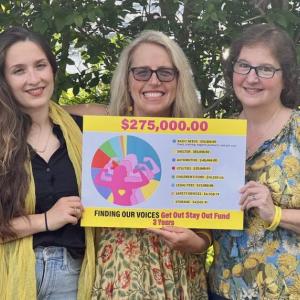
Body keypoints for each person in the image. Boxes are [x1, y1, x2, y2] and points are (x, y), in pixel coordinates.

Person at [88, 30, 211, 300]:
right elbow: (45, 109)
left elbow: (211, 225)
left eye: (165, 72)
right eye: (142, 72)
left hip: (179, 275)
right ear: (127, 78)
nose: (153, 81)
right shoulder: (103, 132)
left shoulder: (199, 138)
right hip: (119, 275)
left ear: (179, 79)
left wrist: (198, 242)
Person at [0, 26, 95, 300]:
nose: (34, 78)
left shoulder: (84, 132)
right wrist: (46, 219)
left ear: (53, 69)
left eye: (40, 65)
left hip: (71, 277)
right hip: (10, 274)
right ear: (4, 79)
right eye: (19, 70)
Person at [208, 23, 300, 299]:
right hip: (222, 289)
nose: (251, 78)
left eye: (265, 69)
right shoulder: (215, 136)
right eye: (244, 66)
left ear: (286, 76)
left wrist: (277, 215)